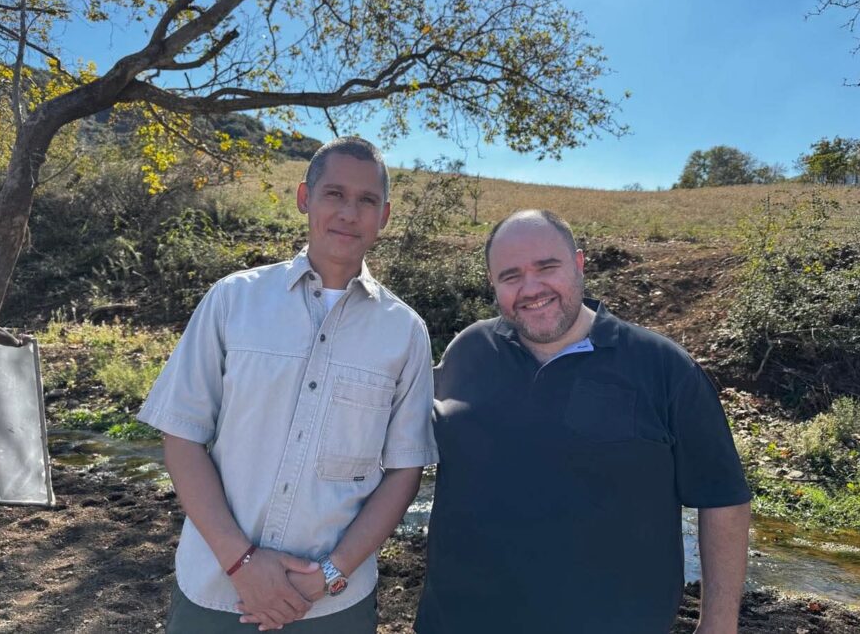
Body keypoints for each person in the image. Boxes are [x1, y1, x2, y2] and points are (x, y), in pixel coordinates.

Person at [138, 136, 438, 634]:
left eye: (367, 200)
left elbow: (405, 471)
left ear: (384, 216)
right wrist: (242, 563)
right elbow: (182, 435)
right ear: (305, 198)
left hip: (334, 605)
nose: (349, 213)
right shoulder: (232, 301)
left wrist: (330, 573)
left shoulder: (405, 332)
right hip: (216, 591)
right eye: (334, 194)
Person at [416, 210, 751, 634]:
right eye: (511, 276)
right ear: (492, 283)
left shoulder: (663, 367)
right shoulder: (468, 351)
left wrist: (719, 624)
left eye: (547, 267)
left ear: (578, 264)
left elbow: (723, 497)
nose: (531, 289)